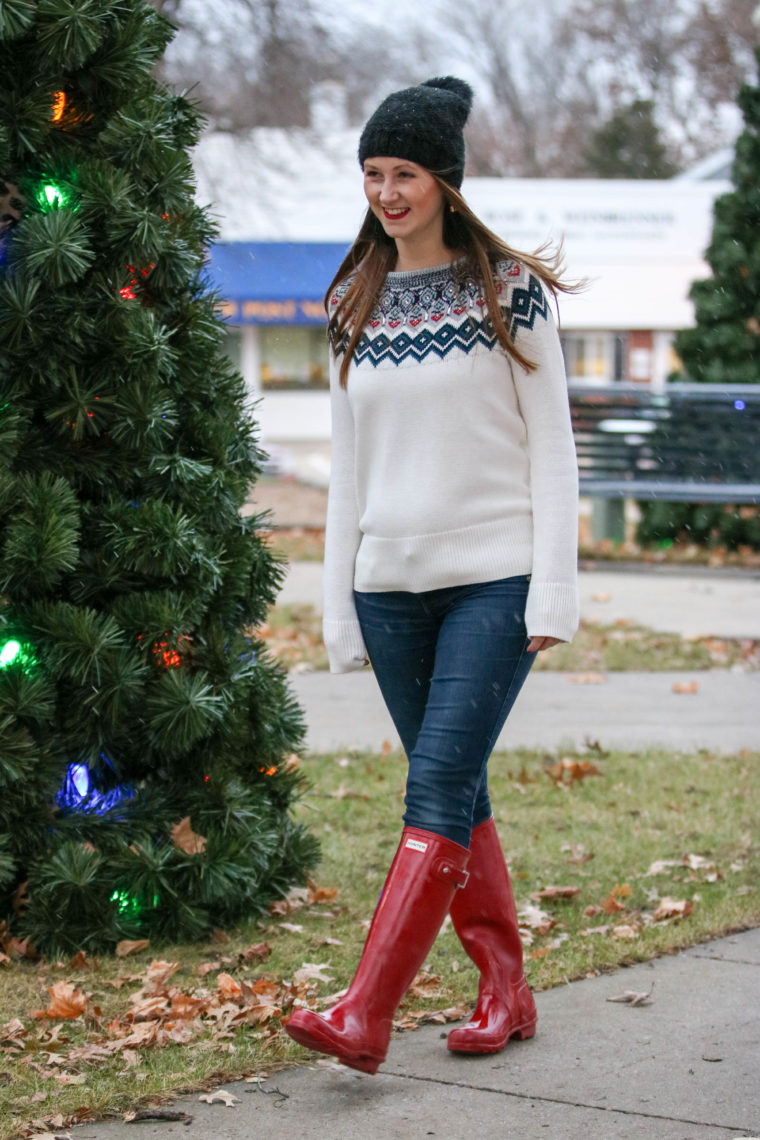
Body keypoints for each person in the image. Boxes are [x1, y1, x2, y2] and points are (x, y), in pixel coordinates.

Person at [285, 76, 579, 1075]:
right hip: (388, 589)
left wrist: (555, 592)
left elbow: (553, 452)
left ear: (444, 181)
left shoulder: (510, 292)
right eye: (372, 173)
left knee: (438, 780)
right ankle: (504, 989)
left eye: (403, 172)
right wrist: (337, 609)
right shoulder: (348, 302)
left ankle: (365, 1012)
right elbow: (348, 471)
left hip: (495, 579)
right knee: (454, 789)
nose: (386, 191)